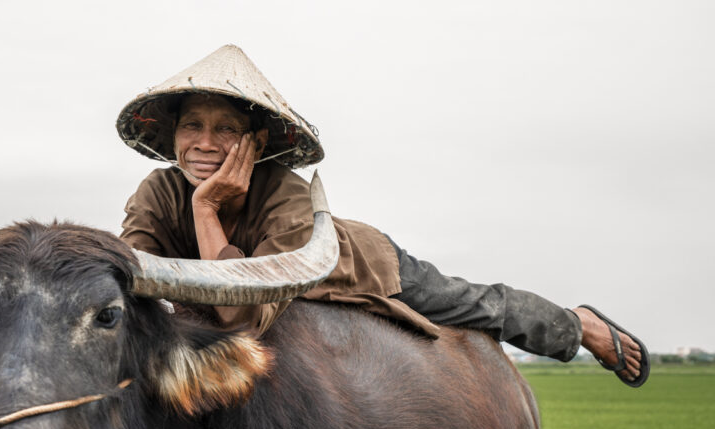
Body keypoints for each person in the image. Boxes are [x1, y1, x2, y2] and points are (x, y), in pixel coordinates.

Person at [117, 45, 648, 387]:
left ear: (255, 143)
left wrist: (206, 209)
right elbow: (127, 283)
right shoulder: (158, 193)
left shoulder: (284, 197)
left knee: (475, 307)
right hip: (272, 297)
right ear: (174, 137)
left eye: (226, 129)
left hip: (365, 267)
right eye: (192, 126)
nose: (205, 144)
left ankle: (577, 327)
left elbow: (240, 320)